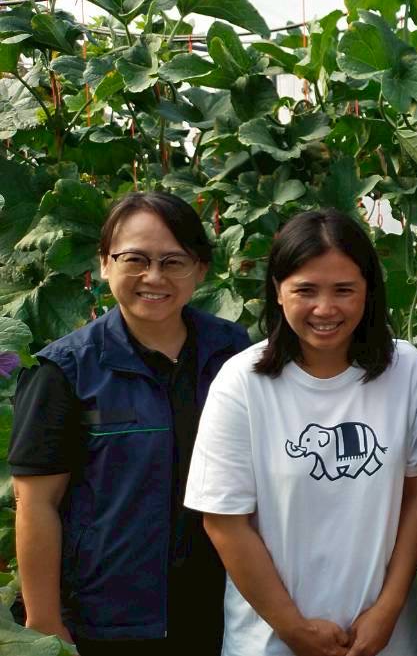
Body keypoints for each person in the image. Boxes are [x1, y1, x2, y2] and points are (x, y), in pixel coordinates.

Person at [8, 191, 250, 655]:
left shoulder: (232, 353)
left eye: (173, 261)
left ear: (199, 269)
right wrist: (45, 621)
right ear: (104, 263)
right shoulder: (63, 371)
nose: (153, 277)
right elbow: (36, 503)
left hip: (220, 606)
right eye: (135, 259)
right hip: (107, 619)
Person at [184, 209, 417, 656]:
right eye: (305, 291)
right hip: (269, 642)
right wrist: (293, 628)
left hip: (385, 640)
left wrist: (388, 610)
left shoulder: (406, 370)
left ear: (368, 292)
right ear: (278, 291)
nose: (325, 309)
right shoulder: (242, 382)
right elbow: (224, 521)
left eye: (344, 290)